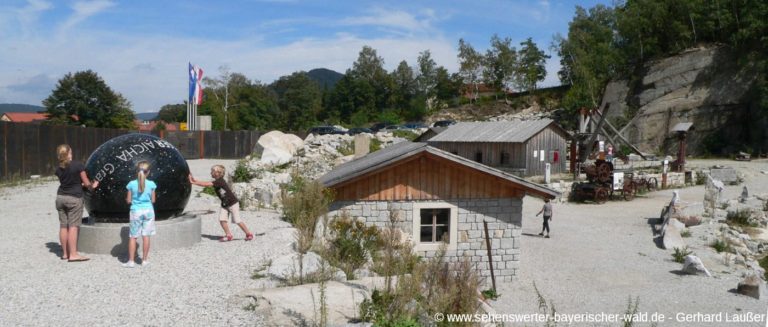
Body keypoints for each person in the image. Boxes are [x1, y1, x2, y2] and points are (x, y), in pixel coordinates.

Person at [55, 144, 98, 262]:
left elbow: (69, 181)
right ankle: (73, 254)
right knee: (73, 227)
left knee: (63, 226)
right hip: (74, 199)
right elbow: (86, 183)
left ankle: (65, 253)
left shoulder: (58, 168)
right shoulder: (78, 165)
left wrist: (80, 184)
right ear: (68, 153)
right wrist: (92, 186)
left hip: (60, 198)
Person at [189, 165, 254, 242]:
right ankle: (228, 235)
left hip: (232, 203)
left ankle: (249, 234)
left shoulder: (219, 181)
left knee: (237, 220)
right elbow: (205, 183)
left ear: (217, 173)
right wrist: (194, 180)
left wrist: (194, 182)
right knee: (222, 220)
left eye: (212, 171)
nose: (211, 173)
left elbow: (206, 184)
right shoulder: (217, 181)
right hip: (225, 204)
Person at [123, 161, 157, 268]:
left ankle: (131, 261)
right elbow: (153, 200)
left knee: (133, 236)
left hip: (136, 211)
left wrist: (129, 199)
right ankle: (144, 260)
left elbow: (128, 200)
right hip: (148, 211)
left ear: (137, 171)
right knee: (146, 236)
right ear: (149, 172)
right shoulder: (152, 184)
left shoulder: (131, 184)